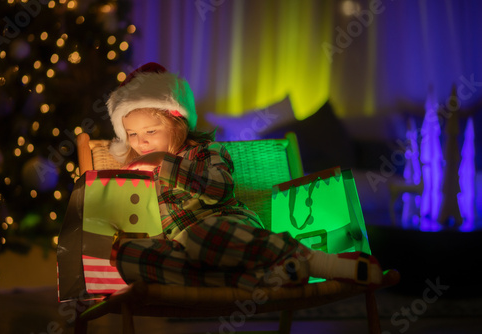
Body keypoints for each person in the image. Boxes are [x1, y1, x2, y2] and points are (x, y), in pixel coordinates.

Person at [106, 62, 383, 291]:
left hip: (228, 228)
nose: (141, 142)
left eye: (150, 131)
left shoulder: (204, 152)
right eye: (132, 135)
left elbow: (220, 190)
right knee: (128, 257)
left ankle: (317, 261)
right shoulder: (139, 175)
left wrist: (166, 164)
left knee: (200, 236)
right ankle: (268, 277)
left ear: (177, 122)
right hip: (187, 253)